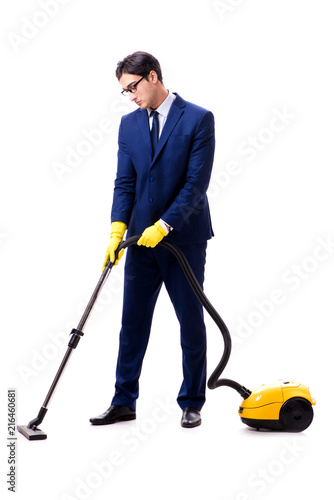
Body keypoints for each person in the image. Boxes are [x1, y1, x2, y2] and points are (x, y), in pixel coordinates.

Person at [90, 51, 215, 428]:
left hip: (184, 240)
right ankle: (123, 400)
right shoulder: (128, 126)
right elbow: (125, 183)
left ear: (153, 76)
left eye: (133, 87)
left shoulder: (197, 118)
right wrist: (117, 229)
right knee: (133, 323)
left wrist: (164, 225)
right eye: (124, 92)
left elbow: (196, 184)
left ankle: (192, 401)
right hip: (139, 242)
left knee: (190, 321)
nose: (131, 96)